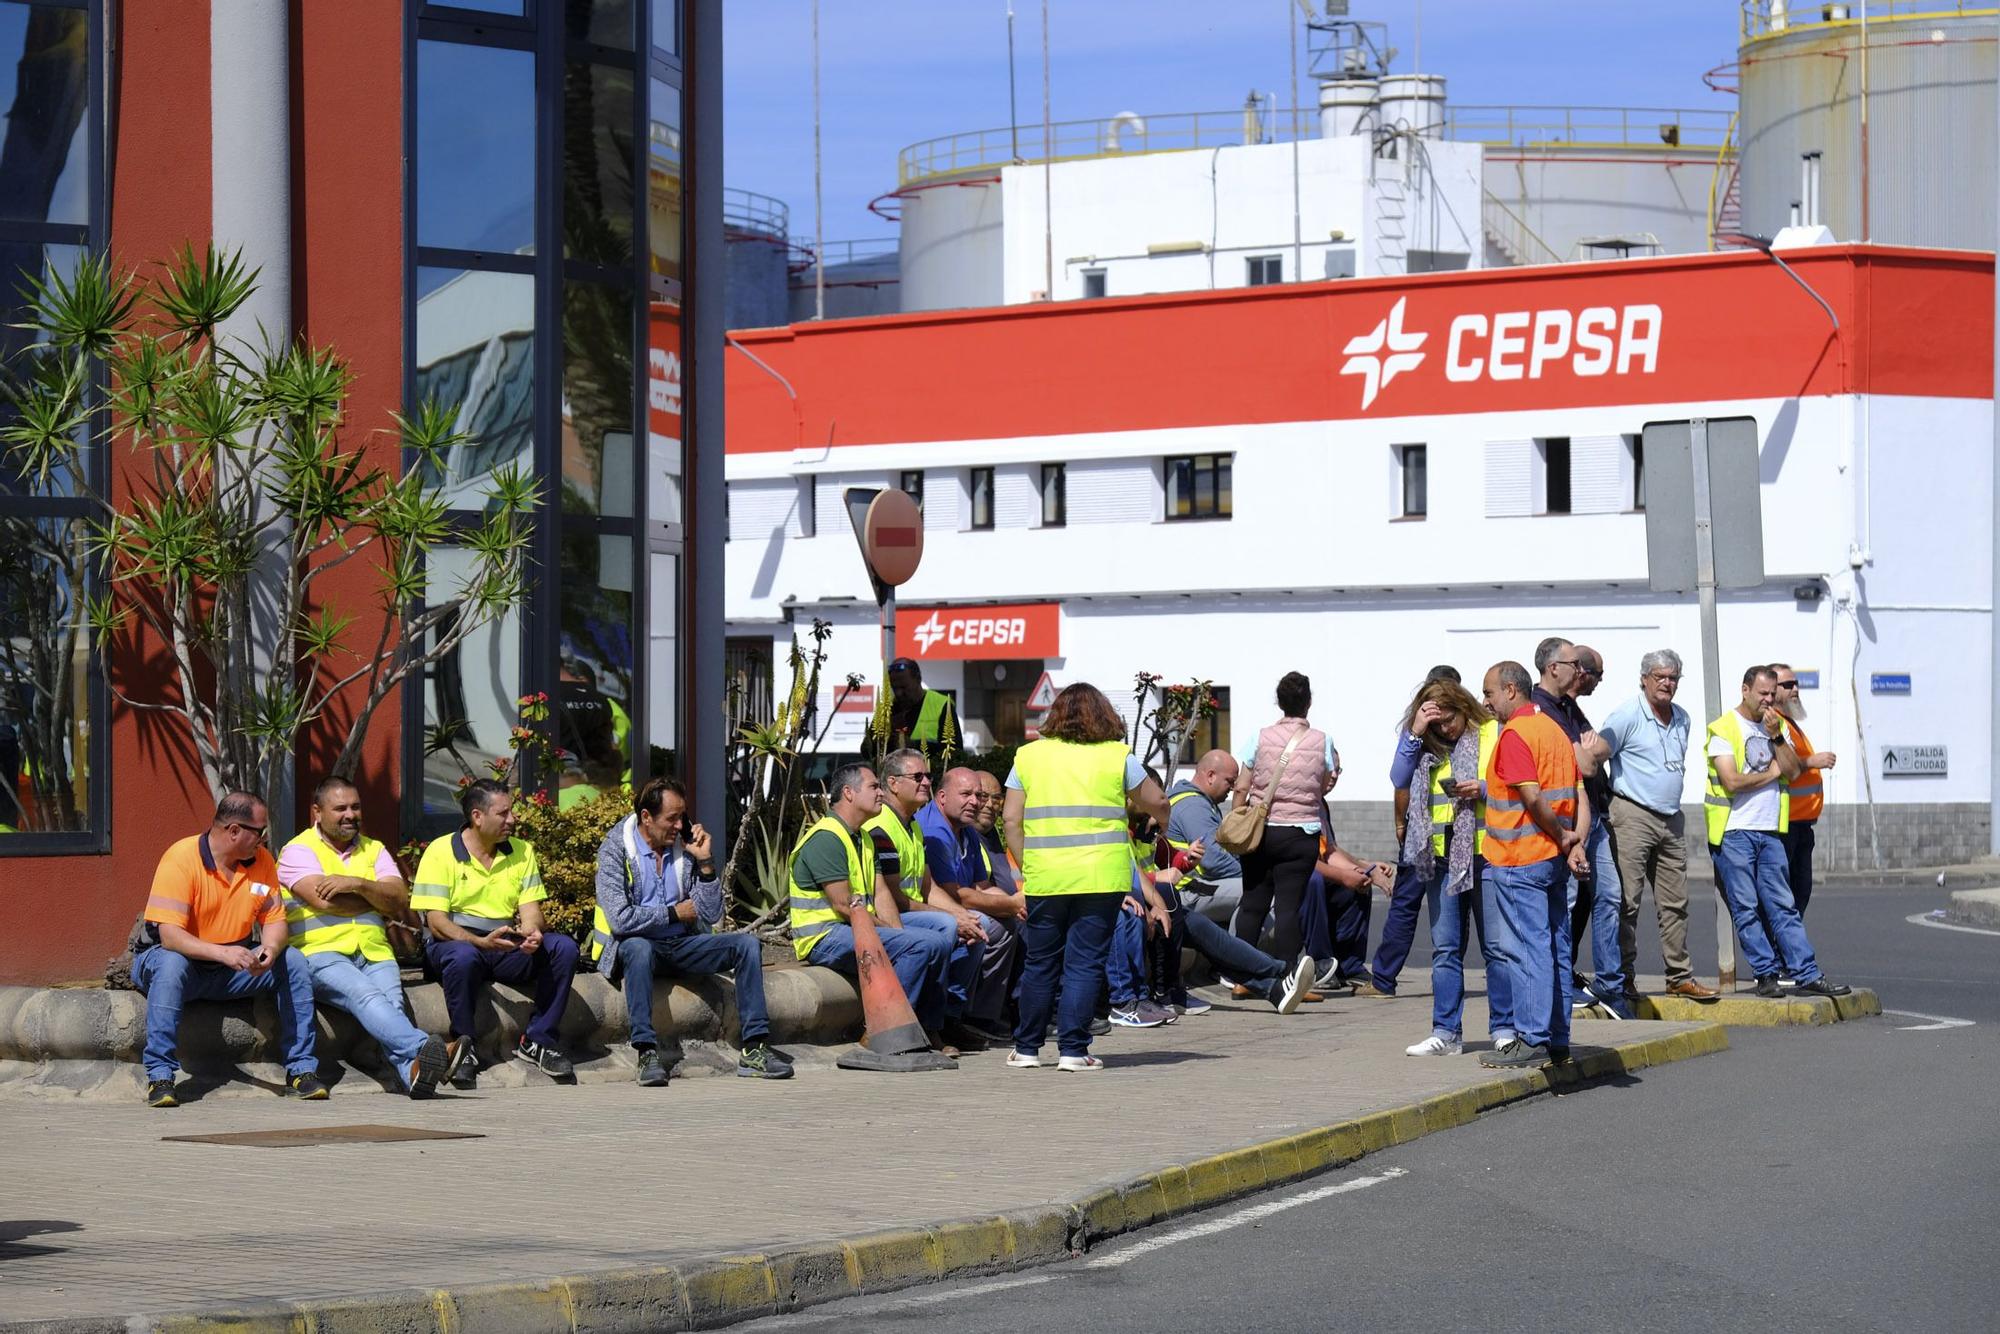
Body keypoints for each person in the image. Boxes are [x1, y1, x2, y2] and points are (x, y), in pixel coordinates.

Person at [1004, 682, 1169, 1071]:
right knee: (1084, 963)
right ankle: (1074, 1051)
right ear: (1104, 716)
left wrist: (1030, 863)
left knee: (1041, 963)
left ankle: (1026, 1049)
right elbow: (1157, 800)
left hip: (1046, 877)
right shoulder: (1117, 756)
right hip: (1101, 877)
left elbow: (1011, 818)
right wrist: (1162, 823)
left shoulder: (1028, 756)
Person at [588, 777, 791, 1085]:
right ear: (646, 817)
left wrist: (706, 863)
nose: (680, 824)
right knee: (639, 948)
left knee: (747, 944)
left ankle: (755, 1049)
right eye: (672, 817)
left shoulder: (683, 849)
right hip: (633, 948)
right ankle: (646, 1052)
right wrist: (672, 913)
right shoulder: (615, 850)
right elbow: (620, 919)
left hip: (681, 944)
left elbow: (710, 914)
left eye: (682, 816)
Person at [132, 792, 325, 1107]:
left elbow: (275, 922)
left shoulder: (261, 861)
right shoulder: (180, 858)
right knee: (171, 964)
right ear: (234, 831)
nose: (263, 839)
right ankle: (160, 1075)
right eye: (259, 832)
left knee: (292, 960)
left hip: (231, 969)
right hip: (175, 962)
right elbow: (170, 938)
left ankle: (301, 1071)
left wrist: (270, 950)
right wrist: (224, 953)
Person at [277, 776, 461, 1099]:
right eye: (341, 808)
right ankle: (428, 1048)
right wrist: (377, 897)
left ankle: (413, 1075)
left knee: (391, 1006)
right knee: (366, 996)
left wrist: (356, 884)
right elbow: (324, 901)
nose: (350, 814)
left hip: (374, 951)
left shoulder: (374, 849)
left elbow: (400, 900)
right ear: (317, 812)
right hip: (320, 953)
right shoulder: (297, 850)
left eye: (356, 807)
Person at [413, 780, 581, 1088]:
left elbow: (531, 911)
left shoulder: (521, 851)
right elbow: (436, 923)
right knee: (463, 956)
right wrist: (478, 941)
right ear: (477, 816)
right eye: (503, 813)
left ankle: (538, 1040)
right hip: (455, 943)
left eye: (511, 812)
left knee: (563, 948)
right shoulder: (440, 852)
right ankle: (464, 1048)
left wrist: (532, 935)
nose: (512, 819)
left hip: (504, 944)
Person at [1381, 679, 1517, 1057]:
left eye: (1449, 719)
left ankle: (1504, 1029)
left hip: (1487, 853)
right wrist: (1416, 731)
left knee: (1496, 949)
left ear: (1463, 706)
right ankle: (1446, 1032)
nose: (1446, 729)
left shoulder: (1492, 731)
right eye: (1437, 724)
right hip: (1441, 857)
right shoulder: (1425, 743)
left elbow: (1515, 783)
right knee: (1445, 949)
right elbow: (1398, 777)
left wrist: (1484, 789)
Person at [1704, 666, 1852, 999]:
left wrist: (1777, 738)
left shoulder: (1777, 727)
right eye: (1763, 694)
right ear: (1745, 690)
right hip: (1735, 831)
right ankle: (1766, 974)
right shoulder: (1724, 729)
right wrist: (1773, 771)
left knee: (1783, 905)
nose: (1769, 700)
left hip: (1771, 829)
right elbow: (1732, 781)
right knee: (1745, 906)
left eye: (1773, 694)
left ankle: (1806, 972)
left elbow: (1795, 768)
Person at [1583, 650, 1720, 1003]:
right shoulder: (1629, 713)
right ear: (1644, 679)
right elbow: (1596, 754)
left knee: (1676, 903)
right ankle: (1623, 977)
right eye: (1660, 677)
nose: (1667, 683)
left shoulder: (1683, 718)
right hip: (1631, 813)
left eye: (1673, 677)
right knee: (1627, 902)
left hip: (1671, 818)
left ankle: (1679, 977)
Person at [788, 762, 955, 1046]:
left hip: (851, 927)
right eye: (874, 787)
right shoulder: (826, 838)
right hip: (824, 936)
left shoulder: (863, 837)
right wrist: (895, 937)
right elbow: (844, 905)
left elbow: (880, 893)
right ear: (849, 793)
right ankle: (880, 1032)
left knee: (935, 942)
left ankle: (926, 1029)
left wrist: (896, 933)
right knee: (920, 945)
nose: (881, 793)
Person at [1478, 662, 1589, 1069]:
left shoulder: (1515, 734)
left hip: (1519, 859)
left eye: (1489, 693)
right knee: (1556, 947)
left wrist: (1563, 838)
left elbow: (1531, 797)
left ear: (1510, 690)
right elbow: (1580, 794)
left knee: (1527, 949)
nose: (1485, 702)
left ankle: (1531, 1036)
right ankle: (1558, 1038)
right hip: (1552, 860)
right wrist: (1575, 842)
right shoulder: (1555, 731)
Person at [867, 749, 988, 1051]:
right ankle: (928, 1026)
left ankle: (950, 1018)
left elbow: (928, 886)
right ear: (893, 783)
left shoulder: (913, 825)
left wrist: (963, 915)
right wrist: (952, 918)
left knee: (975, 924)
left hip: (909, 910)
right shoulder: (881, 827)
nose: (925, 783)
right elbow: (893, 897)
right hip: (885, 915)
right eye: (917, 777)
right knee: (945, 928)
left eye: (928, 776)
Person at [1230, 671, 1337, 971]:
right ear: (1309, 702)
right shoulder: (1322, 741)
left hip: (1261, 832)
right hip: (1301, 833)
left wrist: (1238, 818)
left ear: (1279, 702)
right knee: (1289, 907)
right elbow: (1326, 783)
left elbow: (1242, 786)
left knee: (1253, 903)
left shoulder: (1259, 737)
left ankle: (1243, 976)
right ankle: (1287, 977)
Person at [918, 767, 1025, 1043]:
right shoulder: (934, 832)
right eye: (966, 794)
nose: (976, 802)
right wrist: (1010, 905)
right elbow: (957, 895)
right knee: (984, 925)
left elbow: (981, 885)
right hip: (928, 908)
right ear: (941, 797)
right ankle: (954, 1015)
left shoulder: (967, 832)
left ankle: (983, 1016)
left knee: (1012, 924)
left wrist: (1015, 904)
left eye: (979, 795)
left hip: (953, 902)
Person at [1562, 644, 1629, 1019]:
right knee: (1568, 902)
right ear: (1580, 672)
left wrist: (1589, 754)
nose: (1599, 683)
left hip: (1596, 815)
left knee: (1608, 897)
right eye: (1598, 675)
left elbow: (1593, 756)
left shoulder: (1575, 710)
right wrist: (1587, 754)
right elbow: (1585, 763)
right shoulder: (1553, 710)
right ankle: (1561, 980)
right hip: (1571, 820)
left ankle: (1609, 984)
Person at [1769, 662, 1834, 919]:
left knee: (1799, 894)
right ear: (1772, 691)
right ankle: (1783, 954)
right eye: (1788, 685)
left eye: (1796, 684)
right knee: (1787, 898)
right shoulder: (1776, 724)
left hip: (1801, 825)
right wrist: (1812, 762)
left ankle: (1785, 953)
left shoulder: (1791, 722)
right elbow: (1785, 768)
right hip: (1785, 825)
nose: (1795, 689)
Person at [1164, 749, 1244, 931]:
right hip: (1186, 891)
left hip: (1194, 886)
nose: (1232, 789)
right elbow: (1214, 860)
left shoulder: (1199, 801)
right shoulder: (1193, 806)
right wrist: (1251, 877)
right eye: (1230, 782)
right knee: (1259, 896)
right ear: (1210, 776)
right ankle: (1241, 955)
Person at [884, 657, 959, 760]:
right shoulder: (888, 708)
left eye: (903, 687)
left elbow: (956, 750)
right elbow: (869, 748)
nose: (898, 693)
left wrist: (915, 745)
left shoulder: (942, 704)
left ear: (918, 679)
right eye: (894, 688)